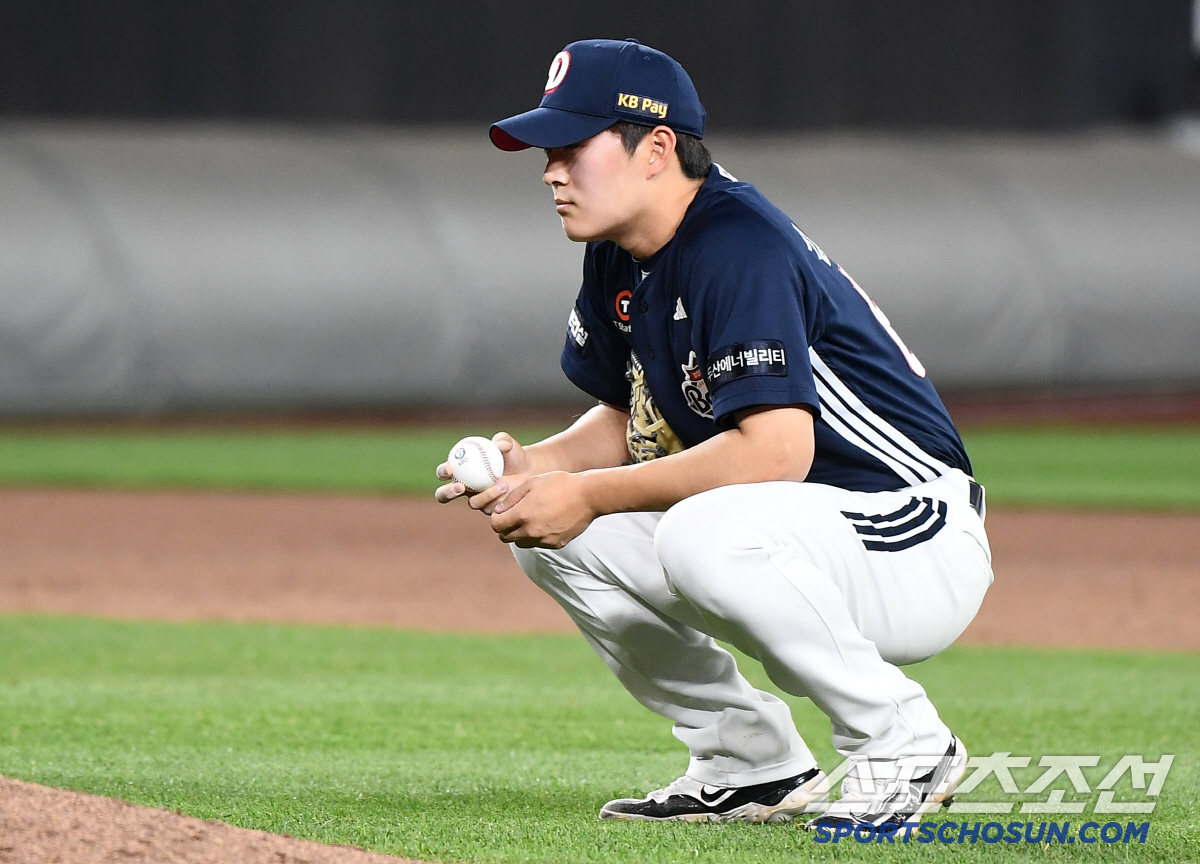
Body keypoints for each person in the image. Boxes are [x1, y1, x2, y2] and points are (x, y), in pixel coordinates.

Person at [435, 38, 993, 829]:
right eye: (547, 151)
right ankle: (748, 761)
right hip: (799, 528)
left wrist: (586, 493)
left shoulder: (738, 246)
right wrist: (535, 466)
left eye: (572, 145)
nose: (551, 170)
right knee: (552, 534)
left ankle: (905, 742)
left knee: (697, 531)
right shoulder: (623, 251)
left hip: (911, 531)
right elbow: (632, 419)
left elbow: (776, 451)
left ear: (657, 149)